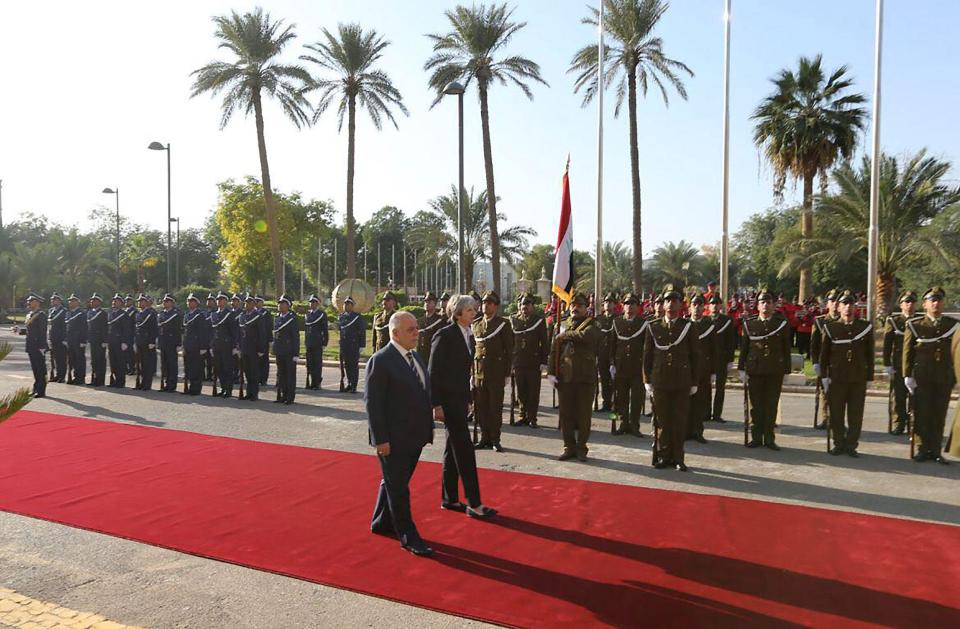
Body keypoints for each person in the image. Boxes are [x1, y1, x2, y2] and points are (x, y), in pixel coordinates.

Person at [366, 311, 436, 557]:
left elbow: (423, 389)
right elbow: (373, 404)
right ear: (394, 333)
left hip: (415, 436)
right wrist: (380, 439)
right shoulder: (381, 360)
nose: (417, 332)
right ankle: (408, 535)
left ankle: (382, 521)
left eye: (416, 328)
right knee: (398, 488)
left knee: (396, 482)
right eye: (410, 330)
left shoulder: (415, 356)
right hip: (393, 440)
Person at [429, 295, 498, 519]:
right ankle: (475, 504)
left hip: (460, 399)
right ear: (457, 312)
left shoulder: (468, 334)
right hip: (447, 402)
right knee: (465, 450)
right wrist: (436, 404)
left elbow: (463, 372)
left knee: (452, 449)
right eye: (469, 310)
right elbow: (434, 372)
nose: (474, 312)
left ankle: (449, 499)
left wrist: (468, 398)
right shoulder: (445, 334)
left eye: (474, 309)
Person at [644, 286, 699, 471]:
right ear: (663, 304)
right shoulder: (653, 326)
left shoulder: (688, 327)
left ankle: (678, 458)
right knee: (661, 421)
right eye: (667, 301)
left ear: (680, 305)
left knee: (679, 420)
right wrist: (647, 380)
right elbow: (647, 356)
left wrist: (694, 382)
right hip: (660, 380)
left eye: (674, 301)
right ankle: (662, 456)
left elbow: (695, 356)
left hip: (681, 380)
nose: (670, 304)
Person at [903, 286, 957, 464]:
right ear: (925, 304)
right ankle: (922, 448)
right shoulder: (915, 325)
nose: (936, 303)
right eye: (932, 300)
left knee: (939, 414)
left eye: (939, 300)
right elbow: (907, 352)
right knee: (922, 413)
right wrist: (907, 375)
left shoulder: (952, 325)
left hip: (944, 376)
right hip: (922, 377)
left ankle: (935, 450)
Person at [548, 292, 602, 462]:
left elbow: (587, 337)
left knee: (584, 415)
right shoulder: (562, 324)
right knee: (566, 415)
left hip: (585, 377)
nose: (575, 308)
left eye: (579, 306)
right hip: (566, 377)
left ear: (586, 308)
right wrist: (551, 372)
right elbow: (554, 350)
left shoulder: (593, 324)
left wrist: (565, 335)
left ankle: (581, 449)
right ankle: (568, 447)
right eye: (573, 305)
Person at [820, 289, 874, 457]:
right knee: (836, 413)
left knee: (855, 414)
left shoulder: (865, 327)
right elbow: (824, 355)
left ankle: (851, 445)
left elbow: (869, 354)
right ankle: (838, 442)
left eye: (851, 303)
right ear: (839, 307)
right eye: (844, 304)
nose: (848, 307)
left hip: (857, 377)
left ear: (855, 306)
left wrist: (869, 377)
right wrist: (824, 376)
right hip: (837, 377)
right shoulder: (830, 328)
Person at [738, 289, 791, 451]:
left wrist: (787, 370)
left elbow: (786, 348)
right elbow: (744, 348)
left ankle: (769, 438)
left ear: (774, 305)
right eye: (762, 302)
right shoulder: (749, 323)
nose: (765, 305)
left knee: (771, 405)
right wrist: (741, 368)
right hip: (755, 369)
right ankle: (756, 437)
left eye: (769, 302)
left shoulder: (781, 323)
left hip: (775, 369)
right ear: (757, 305)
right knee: (756, 406)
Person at [472, 290, 513, 451]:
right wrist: (471, 372)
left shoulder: (503, 324)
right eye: (483, 303)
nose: (485, 305)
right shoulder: (476, 324)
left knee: (495, 408)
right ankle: (484, 438)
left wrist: (507, 373)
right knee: (481, 407)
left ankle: (495, 439)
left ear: (495, 306)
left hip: (496, 373)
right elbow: (473, 350)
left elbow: (509, 350)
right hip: (479, 373)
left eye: (489, 303)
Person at [510, 292, 549, 428]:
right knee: (521, 391)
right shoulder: (514, 320)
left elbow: (544, 342)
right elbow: (509, 343)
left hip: (534, 362)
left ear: (532, 306)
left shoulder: (538, 320)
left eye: (527, 304)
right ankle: (522, 416)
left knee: (533, 391)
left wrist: (544, 362)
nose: (524, 306)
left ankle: (532, 417)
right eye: (522, 304)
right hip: (519, 361)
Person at [611, 293, 646, 437]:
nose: (629, 306)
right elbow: (612, 345)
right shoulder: (616, 322)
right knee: (621, 398)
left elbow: (647, 347)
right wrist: (612, 363)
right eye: (627, 303)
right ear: (623, 306)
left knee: (637, 399)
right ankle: (622, 424)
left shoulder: (643, 324)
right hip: (621, 366)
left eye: (633, 303)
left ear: (638, 307)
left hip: (637, 368)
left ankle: (634, 426)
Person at [882, 290, 917, 435]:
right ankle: (899, 423)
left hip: (916, 364)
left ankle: (914, 424)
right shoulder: (894, 321)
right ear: (901, 305)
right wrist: (887, 364)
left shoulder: (919, 321)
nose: (909, 305)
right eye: (906, 302)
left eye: (912, 302)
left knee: (916, 397)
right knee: (899, 396)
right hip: (898, 364)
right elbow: (887, 344)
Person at [685, 293, 715, 444]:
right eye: (694, 304)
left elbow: (714, 349)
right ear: (690, 307)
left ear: (704, 308)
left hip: (703, 370)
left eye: (700, 305)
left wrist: (713, 371)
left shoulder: (708, 326)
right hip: (685, 370)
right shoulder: (684, 325)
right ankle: (685, 431)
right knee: (685, 402)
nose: (697, 307)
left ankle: (697, 431)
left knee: (700, 402)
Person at [811, 289, 840, 429]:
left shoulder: (844, 322)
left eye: (837, 301)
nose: (835, 304)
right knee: (825, 392)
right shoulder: (820, 321)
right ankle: (826, 418)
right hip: (825, 362)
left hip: (840, 363)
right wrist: (815, 362)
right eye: (832, 301)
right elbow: (814, 344)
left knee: (840, 393)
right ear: (827, 304)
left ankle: (837, 420)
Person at [707, 294, 736, 423]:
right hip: (708, 359)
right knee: (706, 388)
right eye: (712, 303)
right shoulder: (705, 320)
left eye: (716, 303)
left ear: (720, 305)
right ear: (709, 305)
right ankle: (706, 413)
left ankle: (717, 414)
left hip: (721, 359)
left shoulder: (727, 321)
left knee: (720, 388)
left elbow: (731, 341)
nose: (714, 306)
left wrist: (730, 360)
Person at [210, 292, 239, 398]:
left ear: (226, 301)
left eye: (222, 299)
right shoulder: (214, 314)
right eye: (218, 299)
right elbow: (212, 332)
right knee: (219, 368)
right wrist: (211, 345)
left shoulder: (230, 314)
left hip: (227, 345)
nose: (219, 301)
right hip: (217, 344)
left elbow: (234, 331)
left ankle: (228, 390)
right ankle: (223, 388)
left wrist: (235, 346)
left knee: (227, 368)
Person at [238, 295, 267, 402]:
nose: (246, 305)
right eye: (245, 303)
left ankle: (254, 393)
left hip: (254, 348)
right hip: (244, 348)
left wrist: (261, 349)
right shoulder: (243, 316)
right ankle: (249, 393)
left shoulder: (258, 316)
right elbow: (240, 333)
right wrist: (238, 346)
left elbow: (262, 334)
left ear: (253, 304)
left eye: (249, 303)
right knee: (247, 372)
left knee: (254, 372)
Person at [273, 295, 300, 405]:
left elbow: (295, 337)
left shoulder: (292, 319)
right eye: (279, 303)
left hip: (289, 351)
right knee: (280, 374)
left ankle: (289, 397)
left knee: (289, 375)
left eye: (283, 303)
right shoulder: (277, 317)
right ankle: (281, 395)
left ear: (288, 305)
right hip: (280, 350)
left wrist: (296, 353)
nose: (280, 305)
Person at [182, 294, 209, 395]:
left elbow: (203, 332)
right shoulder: (187, 315)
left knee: (197, 368)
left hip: (197, 346)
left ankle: (196, 388)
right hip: (188, 345)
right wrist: (184, 345)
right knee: (189, 367)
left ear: (196, 303)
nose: (189, 303)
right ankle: (191, 387)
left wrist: (203, 347)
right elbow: (185, 333)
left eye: (192, 301)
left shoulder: (200, 315)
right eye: (188, 301)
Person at [595, 294, 618, 412]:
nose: (608, 304)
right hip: (602, 353)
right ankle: (606, 403)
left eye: (610, 302)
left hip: (613, 354)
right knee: (604, 380)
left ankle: (615, 403)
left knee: (614, 380)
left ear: (614, 304)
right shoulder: (598, 319)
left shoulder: (618, 319)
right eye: (606, 302)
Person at [339, 296, 365, 393]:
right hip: (344, 345)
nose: (346, 306)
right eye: (345, 304)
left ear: (352, 306)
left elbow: (362, 331)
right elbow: (342, 331)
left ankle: (354, 385)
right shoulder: (342, 316)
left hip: (354, 344)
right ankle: (349, 383)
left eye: (348, 304)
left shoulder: (357, 317)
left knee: (353, 365)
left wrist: (362, 345)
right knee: (346, 365)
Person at [107, 293, 133, 388]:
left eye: (116, 301)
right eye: (113, 300)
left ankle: (120, 381)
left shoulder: (124, 314)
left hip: (119, 341)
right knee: (113, 362)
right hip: (111, 340)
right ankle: (114, 380)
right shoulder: (110, 313)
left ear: (121, 303)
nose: (114, 302)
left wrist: (125, 342)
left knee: (120, 362)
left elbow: (126, 329)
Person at [24, 294, 48, 398]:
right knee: (35, 368)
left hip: (38, 346)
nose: (28, 303)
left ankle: (41, 390)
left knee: (40, 369)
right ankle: (36, 387)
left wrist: (42, 346)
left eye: (31, 301)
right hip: (30, 345)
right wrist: (20, 331)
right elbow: (30, 331)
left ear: (37, 302)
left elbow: (42, 332)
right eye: (28, 301)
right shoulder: (29, 314)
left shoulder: (41, 315)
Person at [134, 294, 158, 390]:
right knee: (140, 364)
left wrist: (152, 341)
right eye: (139, 301)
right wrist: (135, 342)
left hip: (147, 341)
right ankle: (140, 383)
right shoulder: (138, 314)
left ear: (146, 302)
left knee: (147, 364)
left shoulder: (150, 313)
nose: (140, 302)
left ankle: (147, 384)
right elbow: (136, 329)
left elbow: (153, 328)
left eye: (142, 301)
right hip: (140, 341)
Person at [304, 295, 329, 389]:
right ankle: (311, 381)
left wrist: (324, 342)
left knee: (317, 363)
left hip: (317, 342)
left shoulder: (321, 314)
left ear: (317, 303)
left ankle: (317, 382)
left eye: (314, 302)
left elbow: (325, 330)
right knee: (309, 363)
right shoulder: (307, 314)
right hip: (309, 342)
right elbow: (306, 330)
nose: (312, 304)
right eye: (310, 302)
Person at [65, 294, 87, 385]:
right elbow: (66, 327)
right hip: (70, 340)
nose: (70, 302)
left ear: (78, 302)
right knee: (72, 360)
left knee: (79, 360)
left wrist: (83, 340)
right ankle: (74, 376)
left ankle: (80, 378)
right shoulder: (68, 313)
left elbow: (84, 328)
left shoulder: (81, 313)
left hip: (78, 340)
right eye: (70, 300)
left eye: (73, 300)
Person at [416, 292, 445, 358]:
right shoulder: (419, 321)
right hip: (421, 354)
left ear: (435, 304)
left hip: (434, 354)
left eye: (429, 302)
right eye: (425, 301)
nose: (426, 304)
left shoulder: (440, 321)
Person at [87, 294, 107, 386]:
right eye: (91, 301)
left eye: (94, 300)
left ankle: (100, 380)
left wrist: (104, 340)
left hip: (100, 340)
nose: (92, 302)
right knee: (94, 361)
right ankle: (94, 378)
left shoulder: (102, 313)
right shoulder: (90, 312)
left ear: (99, 302)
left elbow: (104, 328)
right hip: (93, 340)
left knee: (100, 360)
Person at [47, 293, 67, 383]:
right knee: (54, 358)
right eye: (52, 299)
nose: (52, 301)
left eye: (54, 299)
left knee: (61, 358)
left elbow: (65, 326)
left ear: (59, 301)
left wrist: (65, 339)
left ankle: (62, 376)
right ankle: (57, 375)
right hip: (53, 337)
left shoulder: (64, 311)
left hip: (60, 338)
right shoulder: (51, 311)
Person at [256, 296, 273, 386]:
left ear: (262, 303)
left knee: (264, 360)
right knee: (255, 361)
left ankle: (263, 378)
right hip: (255, 341)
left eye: (258, 301)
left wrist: (270, 340)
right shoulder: (253, 312)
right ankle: (257, 377)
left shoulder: (266, 313)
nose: (256, 303)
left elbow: (269, 327)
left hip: (264, 340)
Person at [203, 293, 217, 381]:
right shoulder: (204, 313)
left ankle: (211, 375)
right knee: (203, 359)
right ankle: (205, 375)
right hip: (204, 338)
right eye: (208, 300)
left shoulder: (216, 313)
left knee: (212, 360)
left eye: (211, 300)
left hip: (212, 338)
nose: (209, 302)